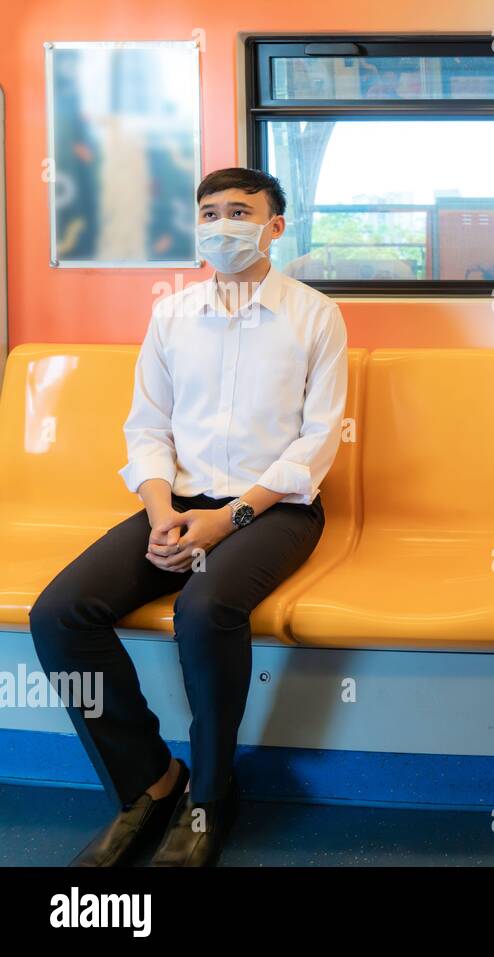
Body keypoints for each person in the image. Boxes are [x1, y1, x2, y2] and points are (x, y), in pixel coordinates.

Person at [30, 167, 348, 866]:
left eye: (240, 211)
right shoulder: (172, 314)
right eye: (210, 212)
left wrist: (229, 518)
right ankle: (150, 780)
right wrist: (161, 511)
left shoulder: (315, 315)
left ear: (275, 225)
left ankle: (210, 791)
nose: (222, 224)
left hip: (275, 508)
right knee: (58, 613)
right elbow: (146, 426)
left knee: (203, 609)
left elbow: (317, 441)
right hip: (174, 503)